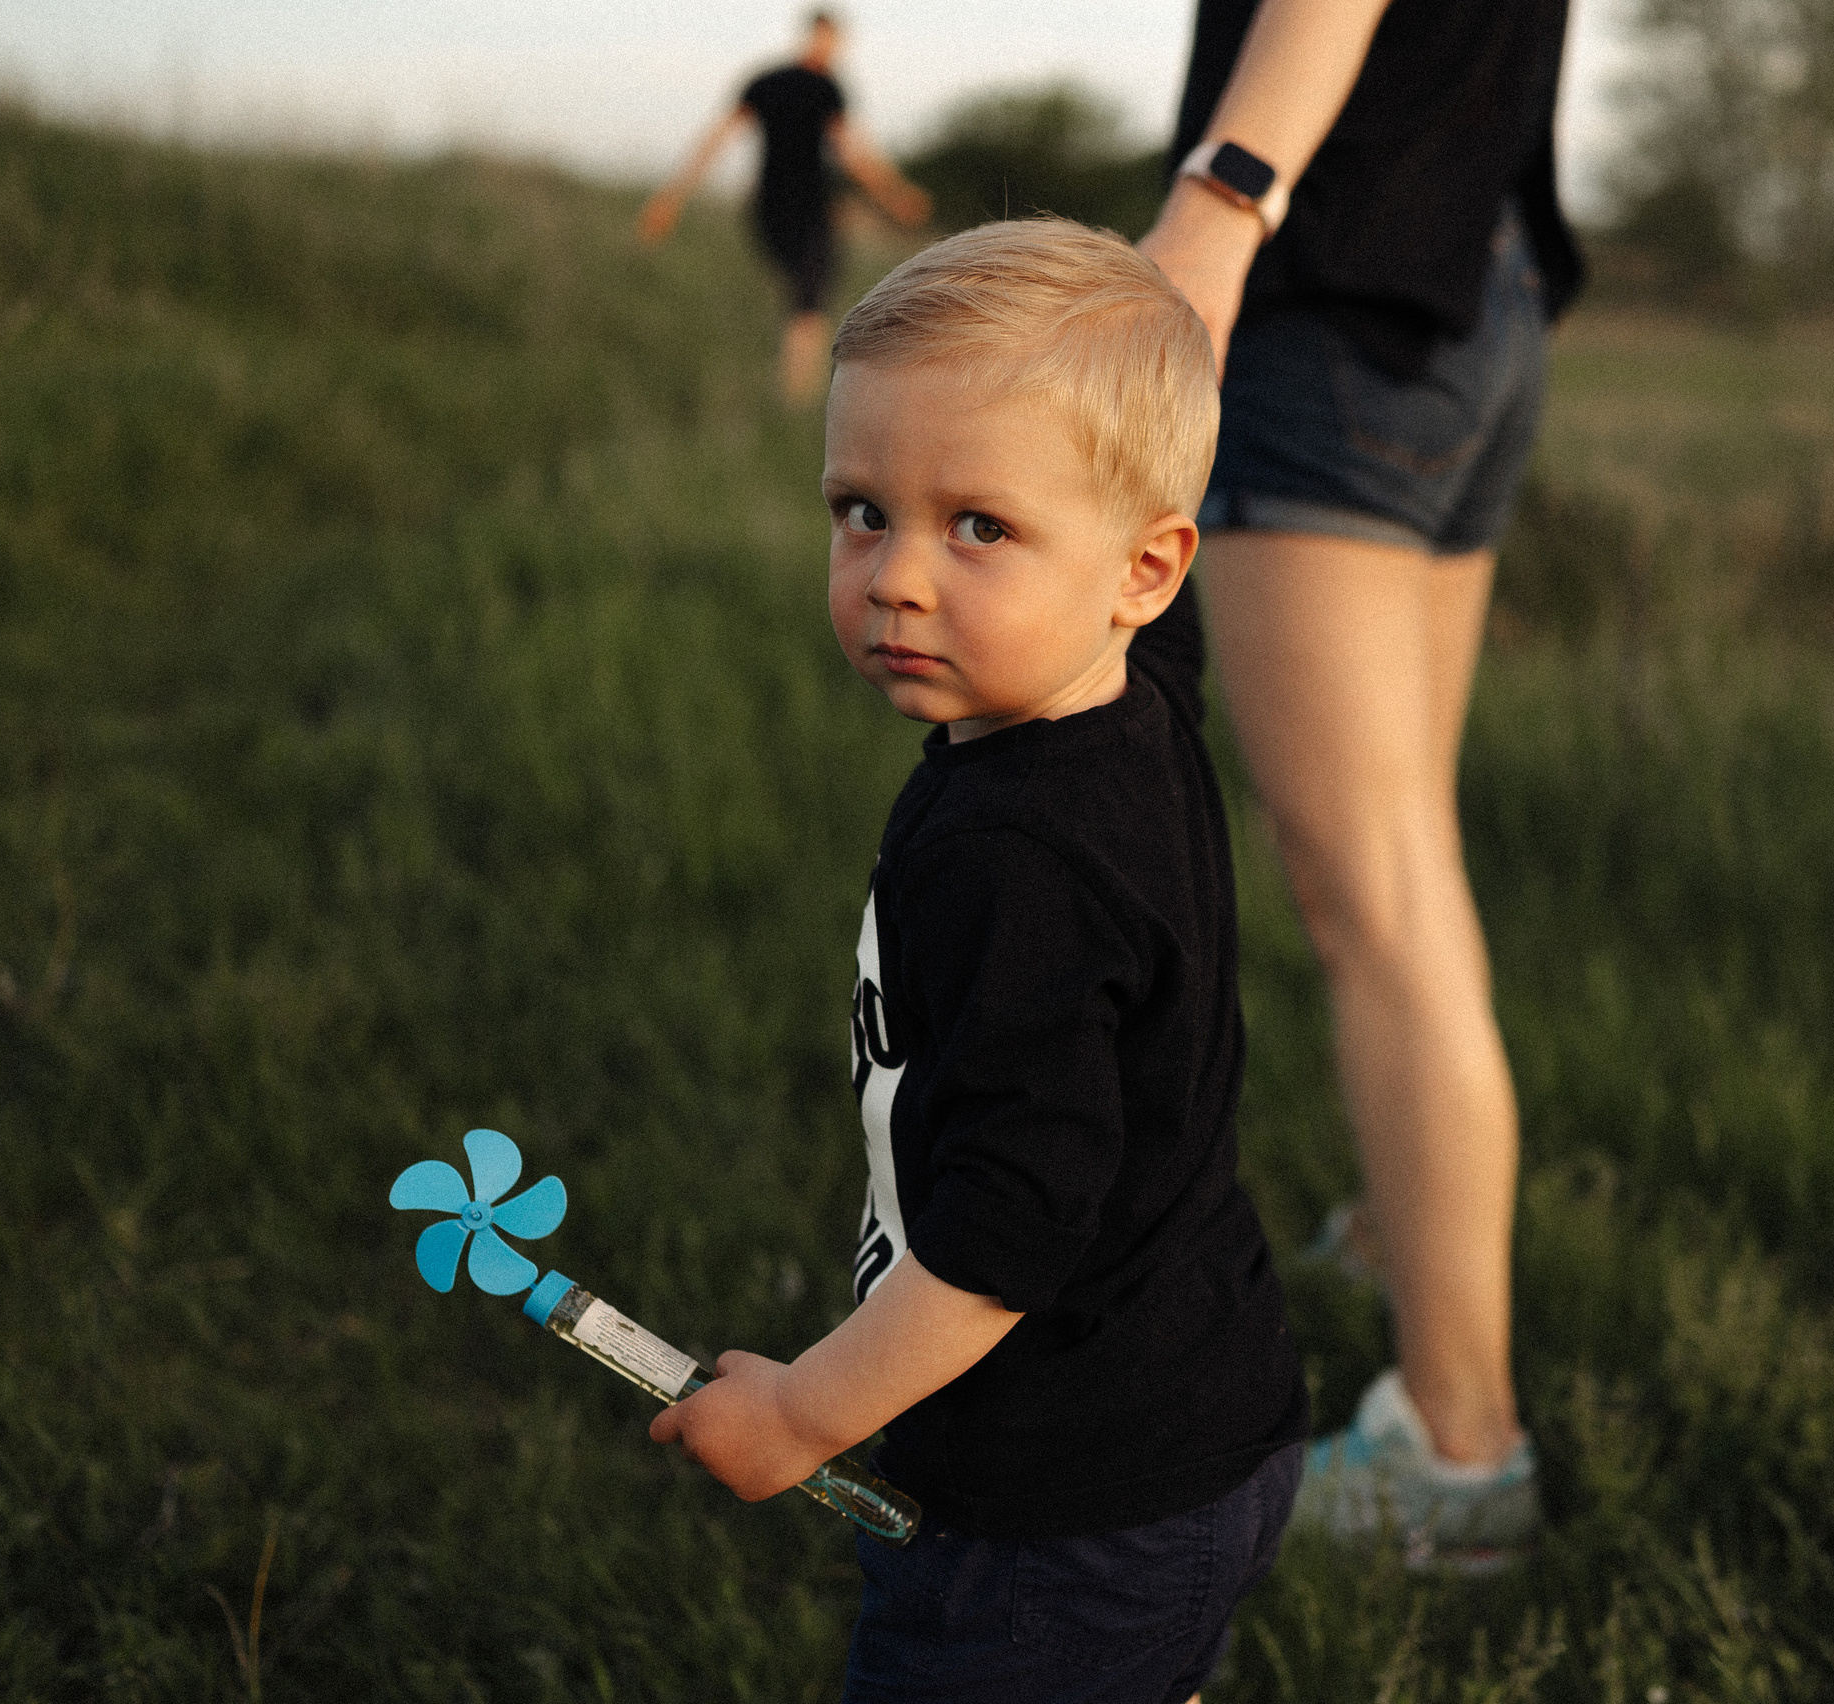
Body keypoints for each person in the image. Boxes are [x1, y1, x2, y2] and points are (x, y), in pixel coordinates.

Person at [649, 219, 1307, 1703]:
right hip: (1204, 1413)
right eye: (862, 510)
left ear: (1144, 572)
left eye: (979, 529)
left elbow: (1012, 1226)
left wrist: (808, 1411)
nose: (897, 577)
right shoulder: (1129, 690)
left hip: (1063, 1500)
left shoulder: (1016, 860)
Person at [1135, 0, 1585, 1571]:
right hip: (1476, 277)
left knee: (1372, 890)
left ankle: (1462, 1456)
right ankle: (1407, 1231)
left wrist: (1219, 202)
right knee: (1405, 850)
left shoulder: (1261, 229)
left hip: (1330, 293)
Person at [637, 9, 930, 403]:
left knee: (804, 297)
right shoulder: (824, 87)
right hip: (806, 208)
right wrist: (896, 196)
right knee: (810, 301)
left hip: (769, 208)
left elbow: (715, 139)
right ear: (825, 40)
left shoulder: (766, 80)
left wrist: (669, 199)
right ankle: (796, 399)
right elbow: (851, 154)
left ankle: (794, 390)